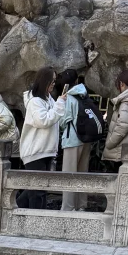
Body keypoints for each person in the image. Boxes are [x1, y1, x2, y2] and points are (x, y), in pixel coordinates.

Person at [19, 67, 66, 208]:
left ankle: (15, 210)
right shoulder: (35, 101)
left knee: (39, 189)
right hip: (35, 151)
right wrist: (60, 103)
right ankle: (34, 221)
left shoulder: (48, 99)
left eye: (54, 81)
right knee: (37, 191)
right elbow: (43, 121)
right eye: (51, 81)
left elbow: (54, 119)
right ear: (44, 81)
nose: (53, 84)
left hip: (45, 150)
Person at [57, 69, 93, 211]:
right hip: (86, 139)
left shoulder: (69, 98)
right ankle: (81, 206)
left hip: (72, 139)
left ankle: (68, 208)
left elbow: (63, 121)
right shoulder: (84, 95)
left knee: (69, 175)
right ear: (77, 81)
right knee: (82, 174)